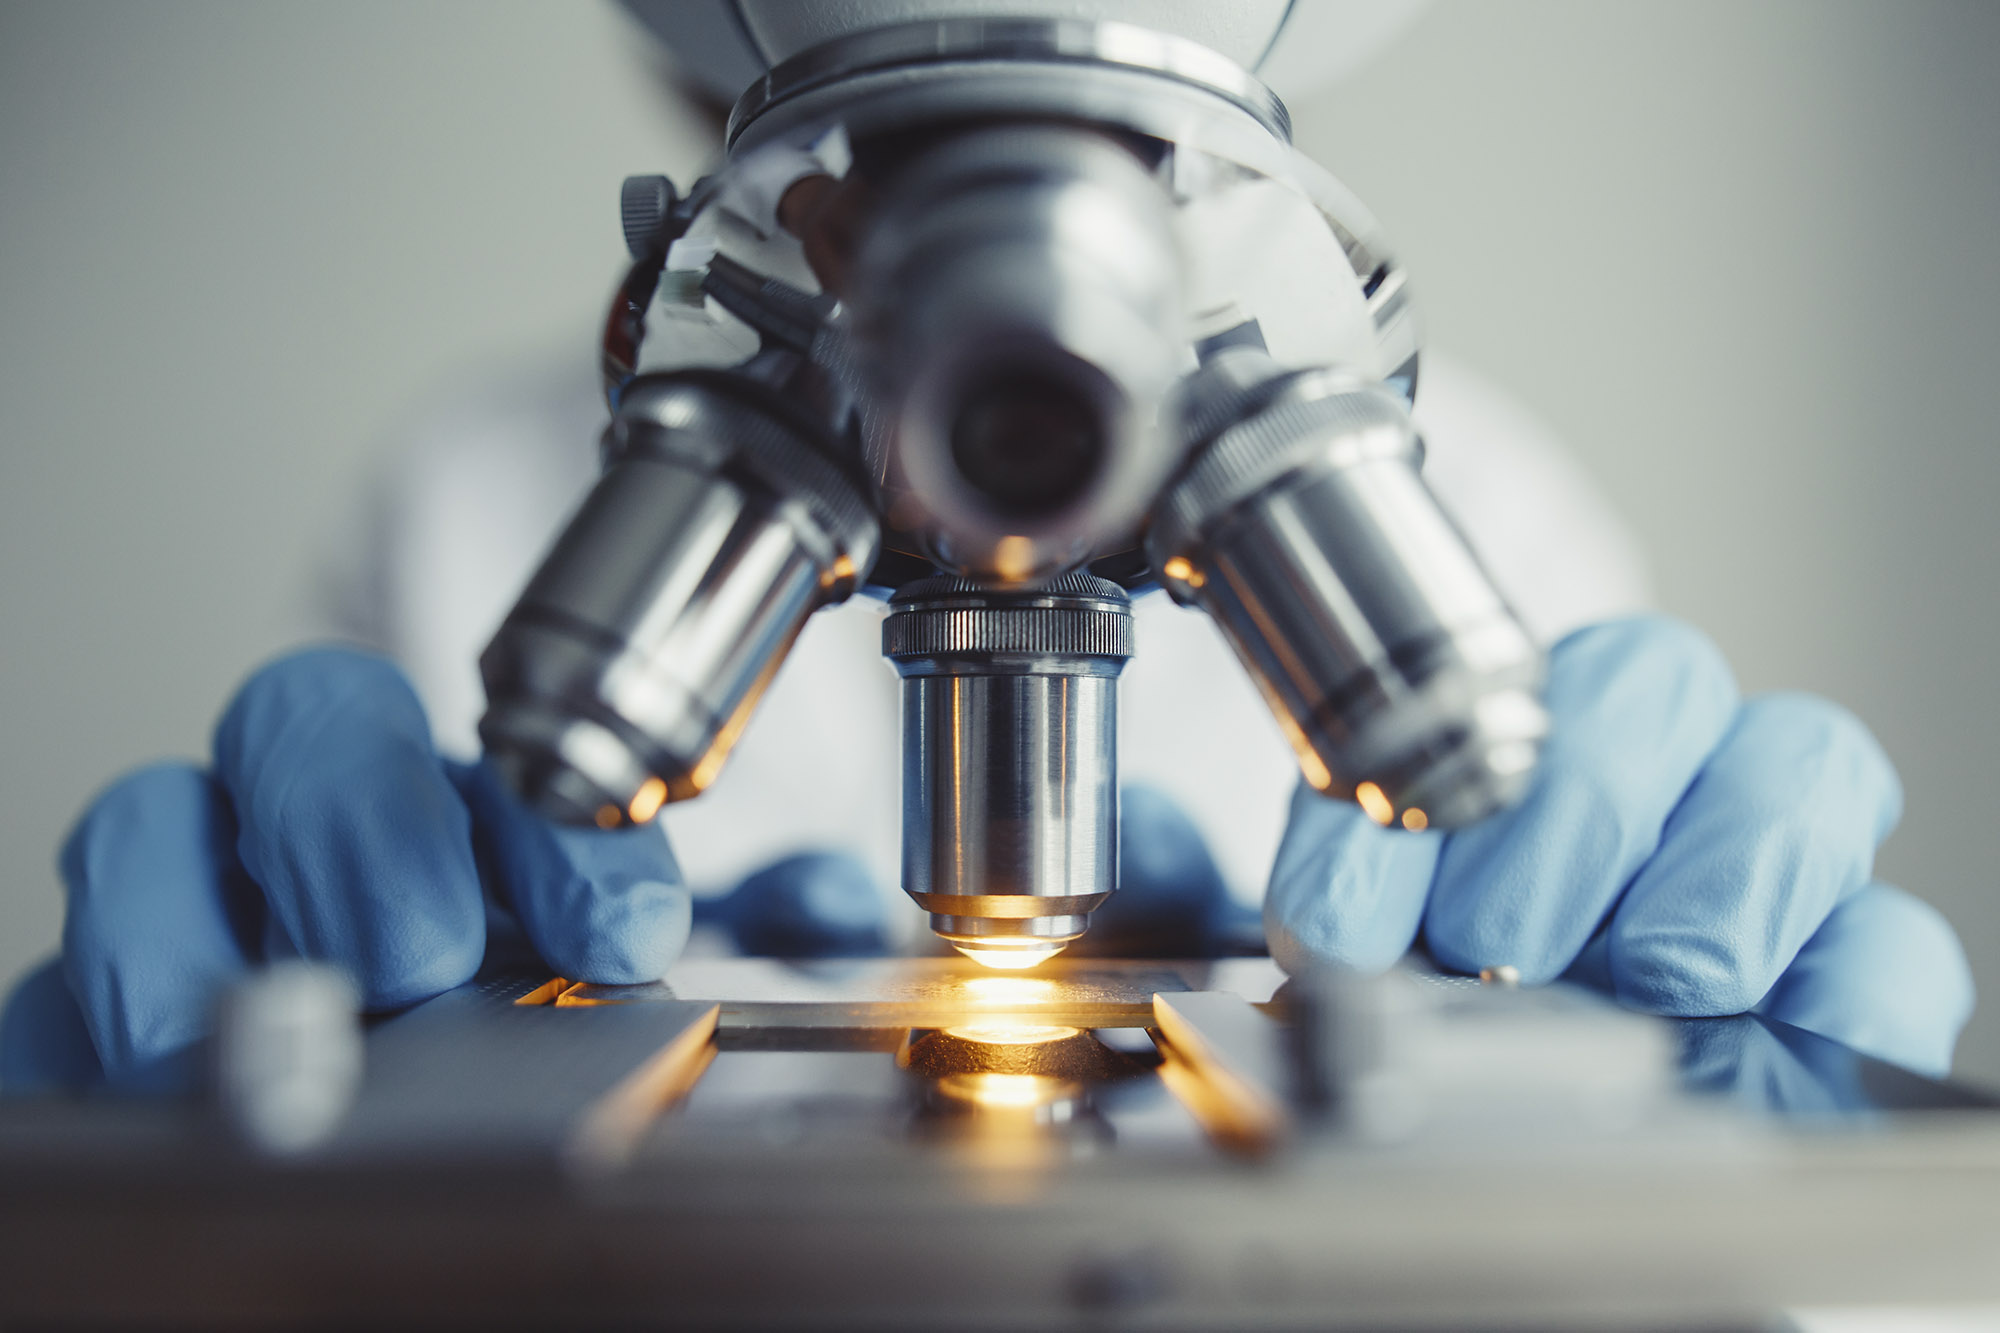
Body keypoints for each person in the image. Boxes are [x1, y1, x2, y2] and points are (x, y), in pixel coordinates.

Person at [0, 0, 1975, 1094]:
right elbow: (335, 1148)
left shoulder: (1496, 513)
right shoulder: (463, 499)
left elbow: (1578, 1169)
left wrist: (1735, 1181)